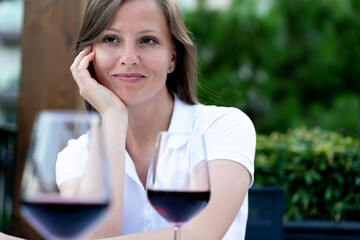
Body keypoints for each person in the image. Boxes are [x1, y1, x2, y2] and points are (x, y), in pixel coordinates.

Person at [1, 0, 256, 239]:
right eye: (111, 39)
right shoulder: (77, 154)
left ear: (173, 57)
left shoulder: (223, 127)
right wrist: (113, 115)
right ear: (88, 56)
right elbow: (95, 233)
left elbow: (197, 236)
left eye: (147, 40)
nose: (129, 58)